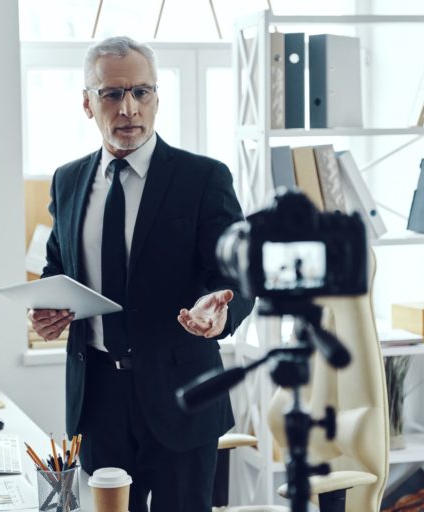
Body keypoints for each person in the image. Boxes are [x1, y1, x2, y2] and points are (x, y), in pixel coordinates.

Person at [29, 36, 254, 512]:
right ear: (88, 103)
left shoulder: (203, 179)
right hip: (98, 400)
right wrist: (48, 310)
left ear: (156, 99)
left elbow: (238, 275)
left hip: (181, 397)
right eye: (112, 94)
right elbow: (58, 266)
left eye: (141, 92)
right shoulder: (67, 180)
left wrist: (219, 312)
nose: (128, 107)